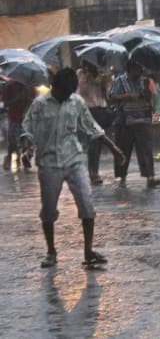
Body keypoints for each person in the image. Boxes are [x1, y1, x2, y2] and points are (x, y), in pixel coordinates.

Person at [21, 68, 126, 268]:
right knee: (49, 209)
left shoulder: (76, 102)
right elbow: (28, 129)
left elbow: (91, 126)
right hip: (49, 162)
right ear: (54, 87)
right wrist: (27, 150)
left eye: (70, 92)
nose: (67, 95)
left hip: (74, 159)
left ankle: (88, 251)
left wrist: (114, 149)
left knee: (87, 205)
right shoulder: (39, 105)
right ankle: (51, 251)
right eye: (63, 92)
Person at [109, 61, 160, 189]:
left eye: (140, 69)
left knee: (146, 149)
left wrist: (146, 89)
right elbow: (111, 97)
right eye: (137, 69)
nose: (139, 72)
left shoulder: (144, 81)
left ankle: (150, 177)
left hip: (142, 120)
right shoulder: (120, 81)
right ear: (130, 69)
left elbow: (148, 98)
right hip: (124, 121)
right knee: (123, 150)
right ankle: (122, 178)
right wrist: (127, 96)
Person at [77, 62, 112, 185]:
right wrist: (90, 78)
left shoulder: (103, 75)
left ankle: (94, 171)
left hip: (101, 109)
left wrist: (104, 82)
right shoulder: (81, 74)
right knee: (93, 140)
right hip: (88, 110)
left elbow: (107, 93)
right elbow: (81, 90)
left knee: (98, 142)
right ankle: (93, 173)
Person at [2, 80, 36, 171]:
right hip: (14, 118)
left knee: (28, 141)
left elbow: (34, 102)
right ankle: (9, 158)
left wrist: (28, 103)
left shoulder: (31, 87)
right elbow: (5, 104)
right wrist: (17, 98)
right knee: (13, 142)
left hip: (27, 119)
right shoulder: (9, 86)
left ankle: (26, 158)